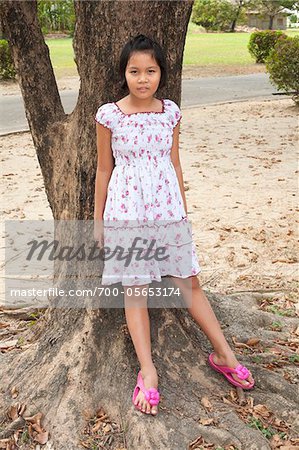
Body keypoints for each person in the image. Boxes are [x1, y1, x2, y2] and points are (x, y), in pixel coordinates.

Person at [94, 34, 254, 417]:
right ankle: (147, 371)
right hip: (127, 211)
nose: (143, 78)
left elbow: (175, 162)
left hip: (166, 210)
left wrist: (182, 212)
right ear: (124, 73)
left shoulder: (170, 112)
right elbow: (104, 169)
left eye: (150, 71)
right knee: (136, 290)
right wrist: (98, 221)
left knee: (188, 282)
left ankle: (224, 353)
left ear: (161, 73)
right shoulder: (109, 115)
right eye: (135, 71)